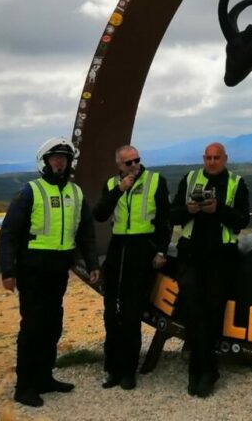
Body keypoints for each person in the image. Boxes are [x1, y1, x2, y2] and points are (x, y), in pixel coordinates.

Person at [0, 137, 100, 408]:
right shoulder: (30, 192)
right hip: (32, 271)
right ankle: (24, 387)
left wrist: (93, 264)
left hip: (58, 271)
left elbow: (86, 233)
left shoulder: (75, 194)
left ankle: (44, 378)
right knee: (33, 328)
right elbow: (8, 234)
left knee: (53, 326)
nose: (60, 162)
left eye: (64, 159)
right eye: (55, 158)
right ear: (44, 162)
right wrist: (8, 271)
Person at [170, 142, 250, 397]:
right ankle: (201, 371)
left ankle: (206, 371)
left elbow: (242, 220)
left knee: (214, 313)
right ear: (203, 159)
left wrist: (218, 210)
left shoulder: (237, 183)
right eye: (208, 158)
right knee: (193, 311)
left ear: (225, 159)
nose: (212, 162)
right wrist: (189, 210)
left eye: (217, 157)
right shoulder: (190, 179)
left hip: (221, 257)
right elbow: (173, 215)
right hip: (191, 255)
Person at [93, 144, 171, 390]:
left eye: (137, 160)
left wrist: (161, 250)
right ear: (119, 165)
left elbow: (164, 220)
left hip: (142, 248)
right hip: (118, 248)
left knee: (132, 312)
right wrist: (119, 190)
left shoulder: (155, 181)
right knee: (111, 311)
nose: (134, 165)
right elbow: (100, 214)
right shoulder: (110, 185)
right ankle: (112, 368)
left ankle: (128, 371)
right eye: (128, 163)